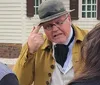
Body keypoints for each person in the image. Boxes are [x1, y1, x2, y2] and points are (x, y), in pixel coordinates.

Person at [13, 0, 88, 85]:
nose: (55, 29)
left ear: (69, 19)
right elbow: (18, 82)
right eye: (48, 26)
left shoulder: (91, 40)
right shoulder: (35, 48)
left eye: (59, 22)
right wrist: (29, 52)